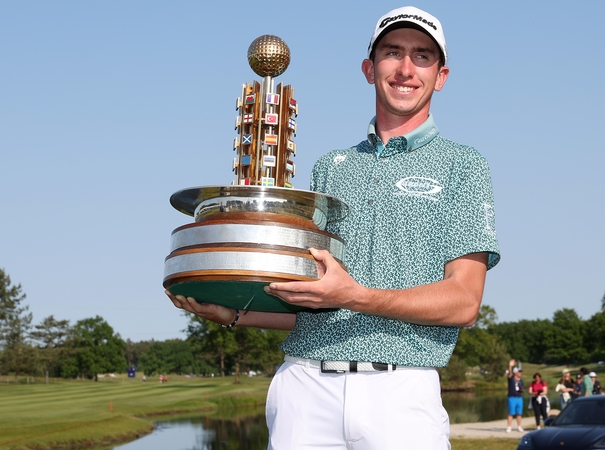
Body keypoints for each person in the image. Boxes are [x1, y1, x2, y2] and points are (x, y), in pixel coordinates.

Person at [166, 6, 500, 450]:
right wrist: (234, 314)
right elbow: (318, 304)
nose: (405, 68)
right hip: (304, 387)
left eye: (422, 56)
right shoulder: (330, 168)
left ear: (441, 76)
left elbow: (463, 302)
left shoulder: (464, 166)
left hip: (400, 394)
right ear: (369, 68)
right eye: (392, 53)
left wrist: (355, 296)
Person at [507, 360, 525, 433]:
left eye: (520, 372)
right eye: (519, 372)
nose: (520, 373)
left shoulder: (521, 381)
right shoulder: (511, 379)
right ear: (515, 373)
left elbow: (522, 388)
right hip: (512, 398)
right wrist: (510, 366)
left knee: (519, 413)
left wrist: (522, 390)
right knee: (511, 413)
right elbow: (509, 373)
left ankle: (519, 426)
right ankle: (509, 427)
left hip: (519, 398)